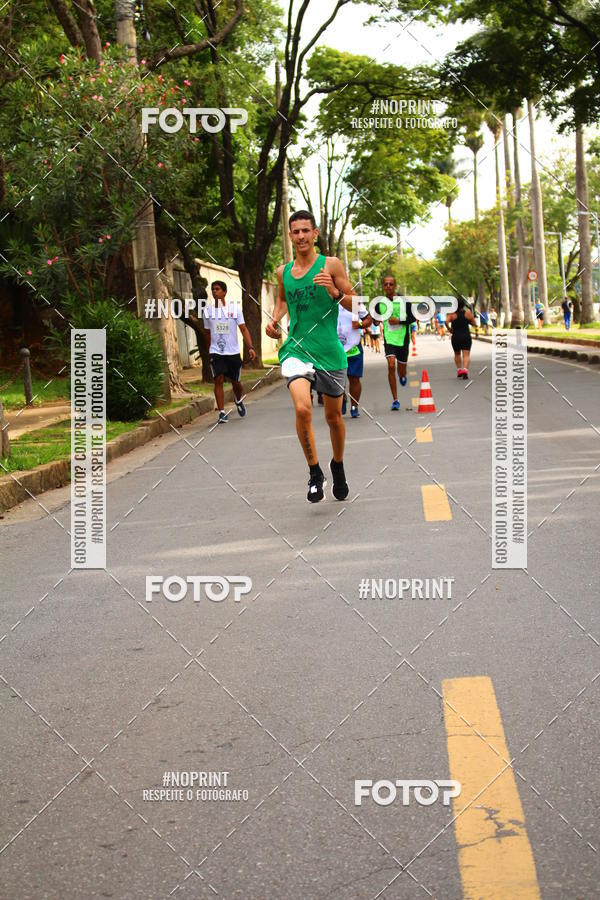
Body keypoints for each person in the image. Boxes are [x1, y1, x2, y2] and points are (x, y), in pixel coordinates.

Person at [265, 210, 356, 503]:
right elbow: (283, 299)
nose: (301, 236)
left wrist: (334, 292)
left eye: (306, 230)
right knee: (303, 409)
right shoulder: (283, 272)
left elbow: (356, 304)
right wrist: (274, 319)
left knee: (333, 418)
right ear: (290, 236)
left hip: (329, 350)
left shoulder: (331, 265)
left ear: (315, 234)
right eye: (296, 231)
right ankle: (315, 473)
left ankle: (337, 465)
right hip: (296, 349)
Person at [201, 281, 256, 423]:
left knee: (236, 383)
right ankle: (221, 412)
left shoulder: (234, 309)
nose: (215, 291)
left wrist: (250, 347)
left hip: (233, 352)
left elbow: (243, 329)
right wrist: (209, 350)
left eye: (218, 289)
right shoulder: (208, 312)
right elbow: (207, 333)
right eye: (213, 289)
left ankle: (238, 399)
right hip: (216, 352)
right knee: (218, 379)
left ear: (224, 292)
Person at [378, 274, 414, 411]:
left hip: (403, 339)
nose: (388, 286)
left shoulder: (404, 301)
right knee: (391, 365)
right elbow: (374, 318)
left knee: (401, 371)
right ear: (383, 286)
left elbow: (413, 318)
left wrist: (399, 321)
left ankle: (403, 375)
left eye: (391, 284)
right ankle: (395, 399)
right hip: (389, 339)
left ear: (395, 286)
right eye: (386, 284)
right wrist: (374, 321)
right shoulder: (379, 303)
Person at [337, 301, 372, 418]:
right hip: (335, 348)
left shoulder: (354, 303)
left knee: (354, 378)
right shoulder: (327, 301)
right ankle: (341, 398)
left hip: (354, 347)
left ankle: (354, 406)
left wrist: (360, 324)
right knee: (336, 379)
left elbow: (368, 320)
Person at [446, 295, 475, 379]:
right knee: (466, 355)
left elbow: (446, 322)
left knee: (457, 353)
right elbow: (474, 323)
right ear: (463, 304)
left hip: (456, 337)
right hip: (466, 336)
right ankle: (465, 370)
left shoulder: (451, 314)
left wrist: (449, 329)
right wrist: (470, 322)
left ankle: (459, 370)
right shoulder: (468, 313)